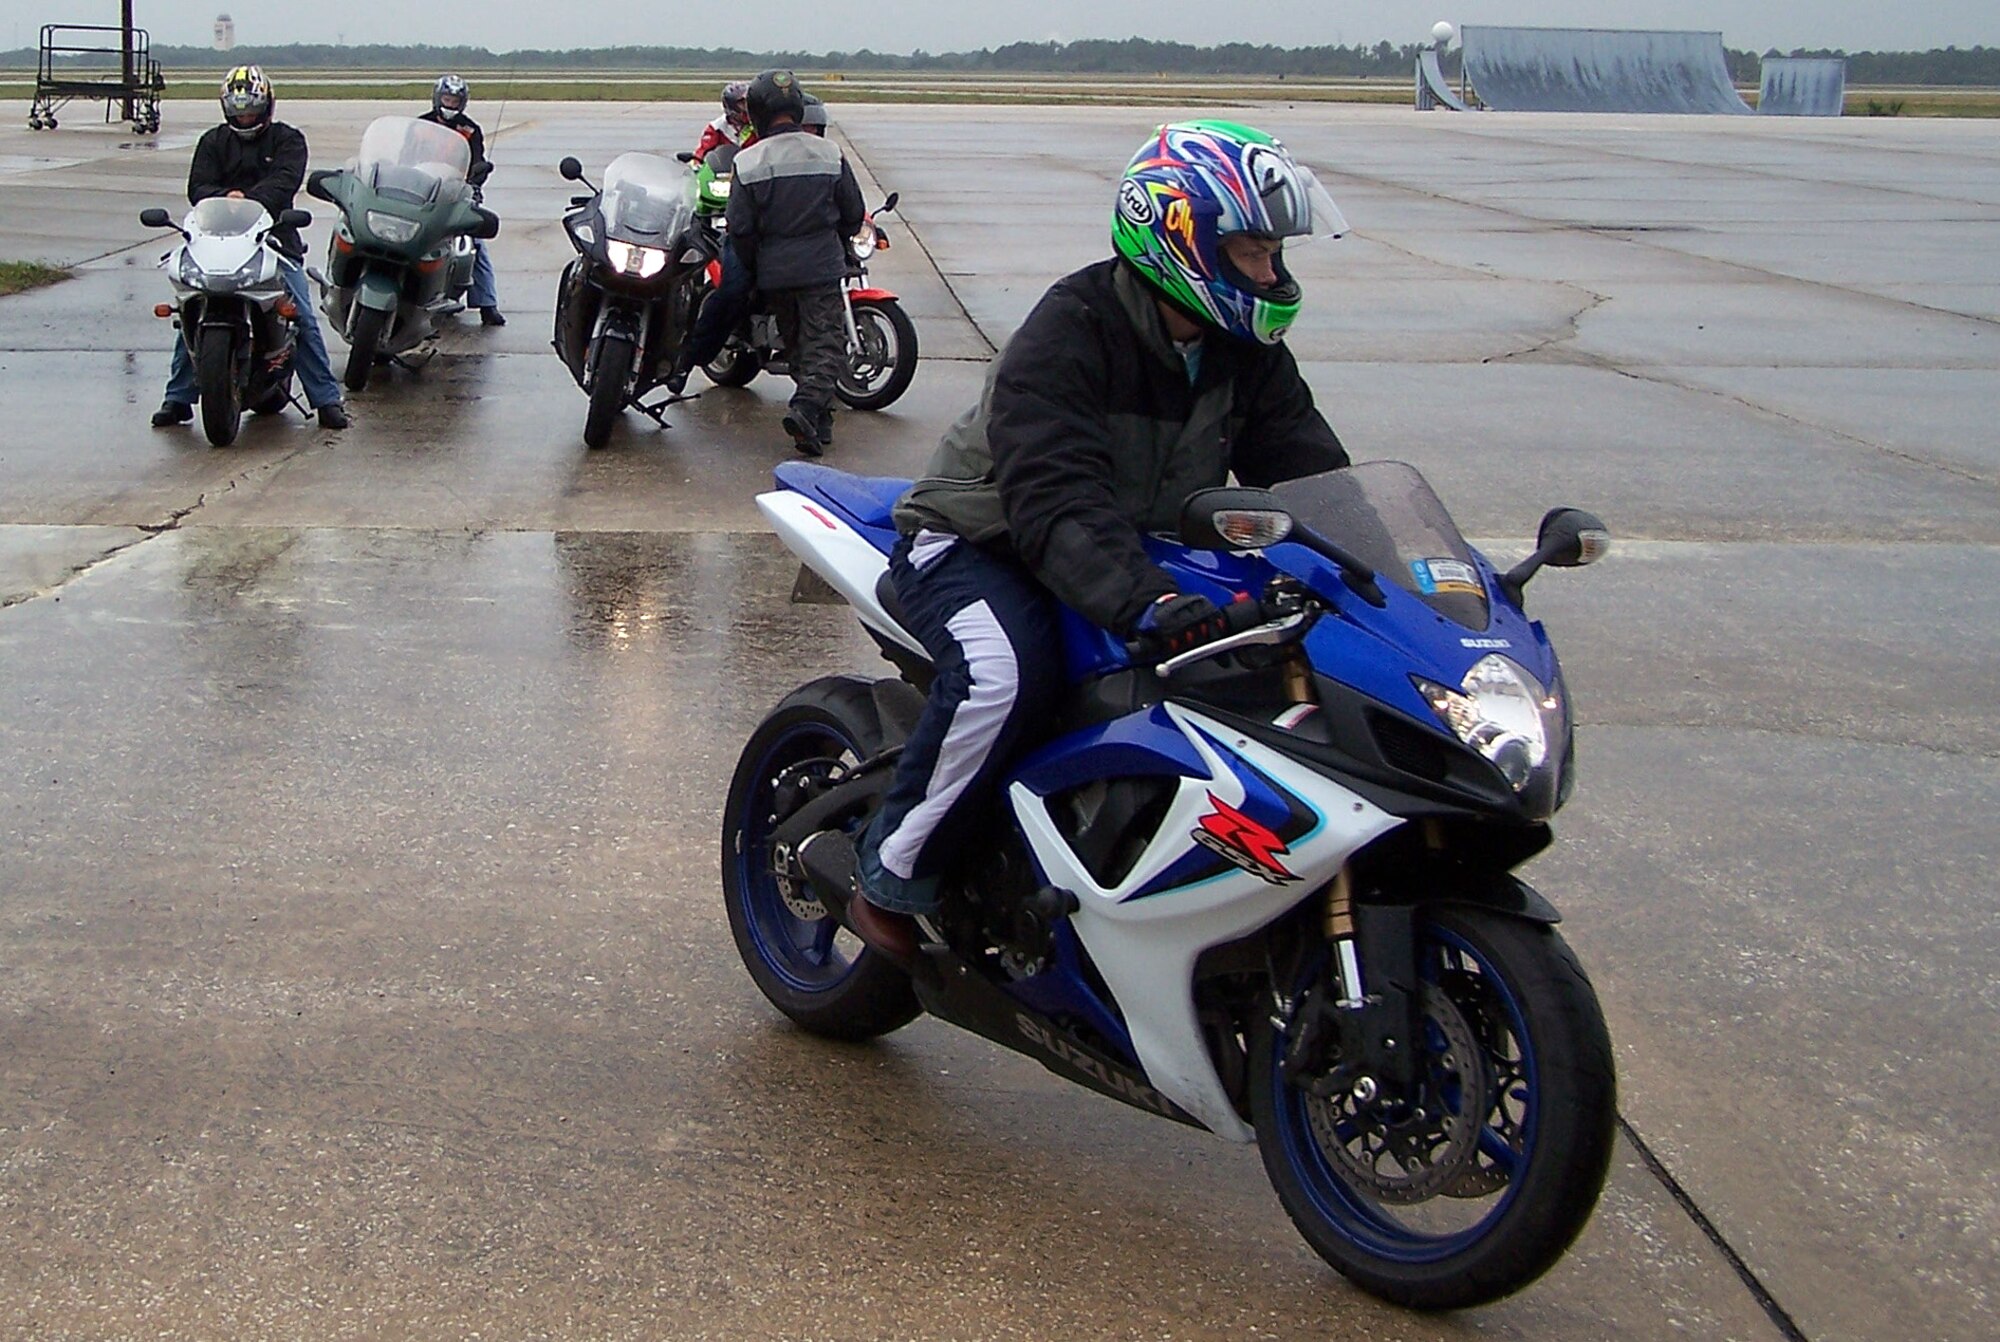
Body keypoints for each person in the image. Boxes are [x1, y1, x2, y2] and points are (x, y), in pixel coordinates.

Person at [844, 121, 1351, 960]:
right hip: (979, 537)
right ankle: (895, 871)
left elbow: (1310, 477)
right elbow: (1056, 500)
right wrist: (1145, 598)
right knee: (1007, 673)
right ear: (1183, 242)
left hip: (1116, 544)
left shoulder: (1244, 351)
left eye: (1274, 254)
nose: (1274, 273)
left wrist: (1385, 575)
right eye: (1255, 253)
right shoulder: (1070, 331)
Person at [151, 66, 348, 430]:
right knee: (192, 305)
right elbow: (198, 187)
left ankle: (326, 400)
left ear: (267, 105)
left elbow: (285, 181)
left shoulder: (288, 140)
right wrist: (225, 199)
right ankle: (177, 397)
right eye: (238, 109)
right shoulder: (212, 142)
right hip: (216, 240)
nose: (245, 116)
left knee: (299, 315)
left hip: (274, 241)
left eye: (252, 109)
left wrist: (249, 199)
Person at [714, 69, 863, 456]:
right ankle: (806, 407)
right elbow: (853, 211)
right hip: (820, 268)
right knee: (827, 345)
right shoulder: (829, 153)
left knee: (798, 345)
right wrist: (838, 240)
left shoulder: (747, 162)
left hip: (774, 274)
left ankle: (818, 425)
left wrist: (756, 264)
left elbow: (740, 229)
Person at [419, 74, 504, 326]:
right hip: (423, 191)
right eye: (446, 98)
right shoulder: (421, 125)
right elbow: (404, 156)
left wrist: (476, 183)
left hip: (457, 192)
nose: (450, 104)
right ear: (437, 98)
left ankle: (488, 304)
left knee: (475, 244)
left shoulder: (470, 129)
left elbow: (478, 160)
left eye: (455, 100)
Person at [691, 80, 755, 164]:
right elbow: (701, 153)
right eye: (742, 104)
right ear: (731, 106)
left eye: (748, 103)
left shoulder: (759, 125)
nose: (747, 108)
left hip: (753, 171)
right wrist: (697, 162)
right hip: (726, 173)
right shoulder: (716, 128)